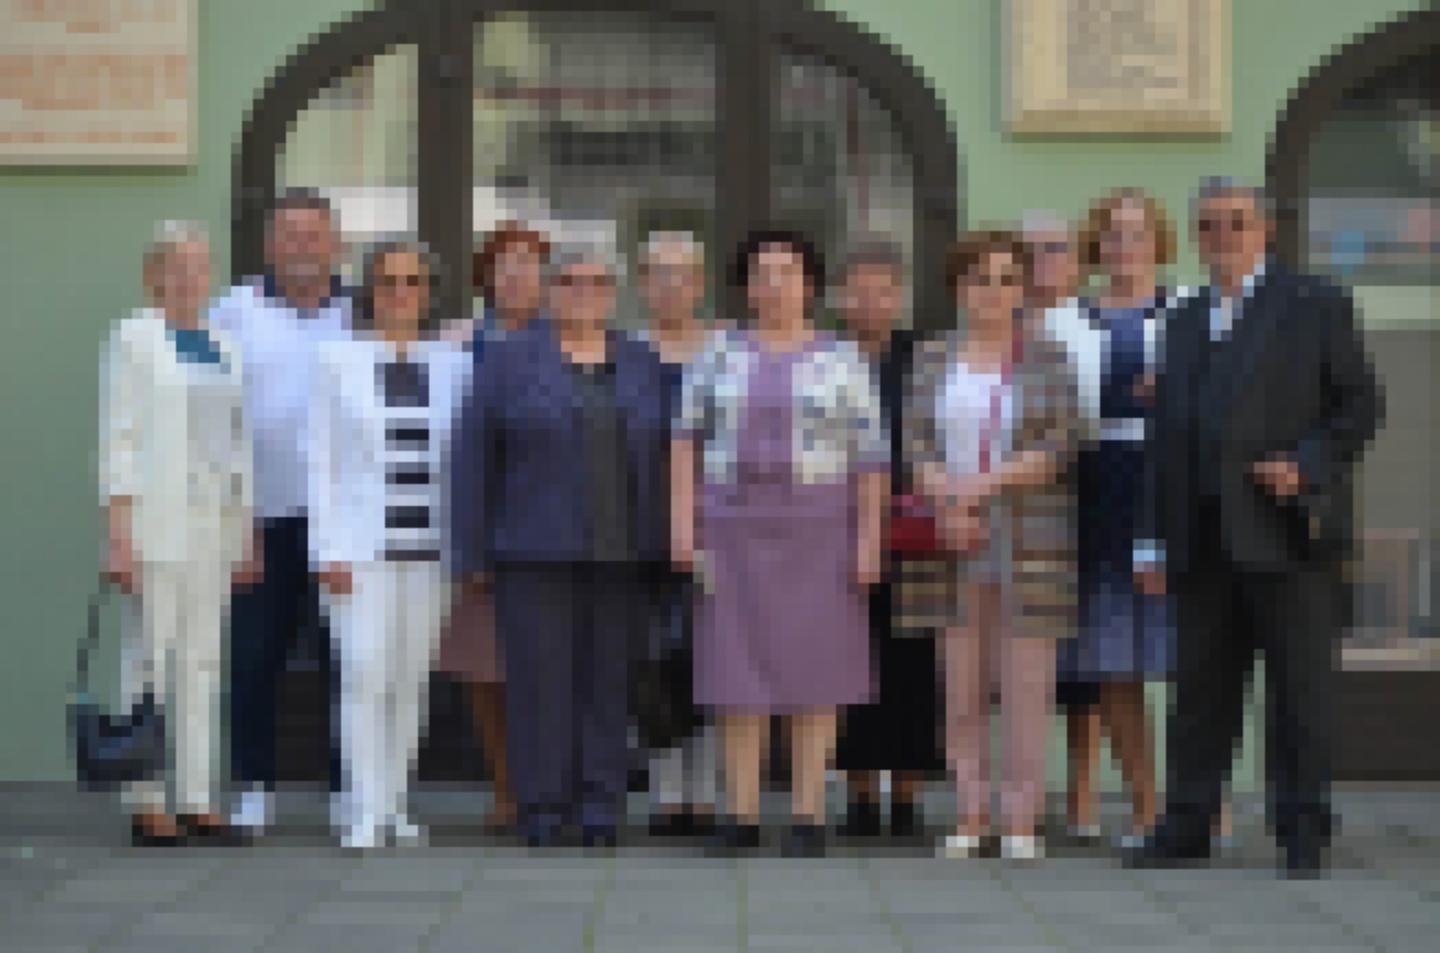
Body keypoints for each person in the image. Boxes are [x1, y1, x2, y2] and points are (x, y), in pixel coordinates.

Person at [1124, 178, 1383, 878]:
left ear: (1266, 229)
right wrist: (1151, 540)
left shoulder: (1315, 303)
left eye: (1237, 222)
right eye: (1210, 224)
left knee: (1299, 692)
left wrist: (1305, 465)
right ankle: (1186, 826)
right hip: (1202, 536)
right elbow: (1165, 439)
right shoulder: (1182, 319)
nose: (1224, 236)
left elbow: (1361, 406)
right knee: (1198, 693)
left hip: (1287, 533)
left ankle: (1302, 829)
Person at [671, 229, 888, 858]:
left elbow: (871, 457)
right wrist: (682, 526)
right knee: (734, 669)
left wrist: (869, 541)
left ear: (810, 284)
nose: (774, 284)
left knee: (816, 671)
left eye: (787, 272)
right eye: (761, 273)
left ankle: (808, 814)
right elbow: (683, 440)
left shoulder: (844, 358)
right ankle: (739, 814)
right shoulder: (715, 353)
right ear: (746, 287)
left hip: (822, 530)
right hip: (730, 529)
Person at [451, 241, 669, 849]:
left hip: (623, 553)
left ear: (613, 294)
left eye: (597, 283)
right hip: (532, 551)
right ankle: (542, 807)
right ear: (549, 291)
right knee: (538, 686)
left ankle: (600, 807)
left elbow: (668, 452)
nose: (583, 293)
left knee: (608, 686)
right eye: (569, 281)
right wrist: (471, 551)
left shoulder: (640, 360)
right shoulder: (509, 360)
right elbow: (473, 456)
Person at [907, 230, 1079, 862]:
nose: (994, 291)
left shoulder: (1048, 357)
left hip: (1030, 540)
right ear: (959, 288)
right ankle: (970, 812)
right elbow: (917, 444)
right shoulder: (932, 357)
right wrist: (948, 503)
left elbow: (1060, 446)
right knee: (961, 687)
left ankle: (1021, 819)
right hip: (954, 536)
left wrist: (981, 485)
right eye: (980, 279)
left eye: (1008, 278)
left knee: (1027, 687)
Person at [307, 242, 471, 850]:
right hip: (359, 549)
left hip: (430, 550)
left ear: (428, 292)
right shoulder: (335, 359)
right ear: (368, 292)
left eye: (412, 281)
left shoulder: (454, 364)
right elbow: (318, 461)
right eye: (387, 281)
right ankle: (361, 807)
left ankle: (395, 805)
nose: (400, 292)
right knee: (363, 671)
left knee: (409, 680)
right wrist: (326, 550)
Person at [101, 221, 259, 846]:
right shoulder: (135, 337)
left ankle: (197, 797)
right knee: (148, 658)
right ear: (154, 276)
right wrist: (118, 535)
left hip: (214, 524)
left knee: (203, 659)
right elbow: (119, 438)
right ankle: (145, 799)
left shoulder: (224, 344)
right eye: (177, 266)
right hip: (155, 522)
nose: (191, 277)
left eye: (200, 265)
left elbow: (239, 443)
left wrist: (245, 531)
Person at [1038, 193, 1180, 849]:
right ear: (1096, 246)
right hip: (1096, 488)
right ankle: (1145, 806)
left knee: (1191, 657)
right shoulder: (1060, 321)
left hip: (1175, 491)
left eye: (1137, 233)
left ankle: (1198, 799)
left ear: (1159, 241)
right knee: (1114, 659)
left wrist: (1175, 395)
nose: (1125, 246)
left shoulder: (1193, 310)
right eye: (1113, 234)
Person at [211, 189, 351, 836]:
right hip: (258, 519)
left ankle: (347, 788)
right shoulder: (233, 311)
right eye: (290, 233)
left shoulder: (360, 312)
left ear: (334, 244)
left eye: (313, 233)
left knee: (345, 659)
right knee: (253, 657)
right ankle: (254, 786)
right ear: (269, 245)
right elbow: (211, 414)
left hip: (340, 520)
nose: (302, 245)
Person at [435, 222, 551, 832]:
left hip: (551, 527)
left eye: (529, 263)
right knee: (486, 669)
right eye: (505, 263)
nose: (517, 274)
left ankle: (546, 788)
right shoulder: (456, 345)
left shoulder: (572, 342)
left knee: (547, 669)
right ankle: (506, 789)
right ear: (486, 276)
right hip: (481, 521)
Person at [831, 239, 941, 840]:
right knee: (850, 660)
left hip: (912, 530)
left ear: (899, 297)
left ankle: (906, 796)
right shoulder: (823, 357)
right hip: (835, 528)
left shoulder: (926, 359)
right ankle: (859, 795)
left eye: (882, 291)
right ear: (840, 297)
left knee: (911, 663)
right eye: (858, 291)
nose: (869, 302)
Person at [633, 231, 722, 839]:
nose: (672, 285)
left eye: (683, 273)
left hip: (717, 523)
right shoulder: (624, 351)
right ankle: (667, 793)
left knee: (712, 653)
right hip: (641, 522)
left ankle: (708, 792)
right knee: (653, 659)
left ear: (700, 283)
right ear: (643, 285)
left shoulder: (726, 352)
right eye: (659, 273)